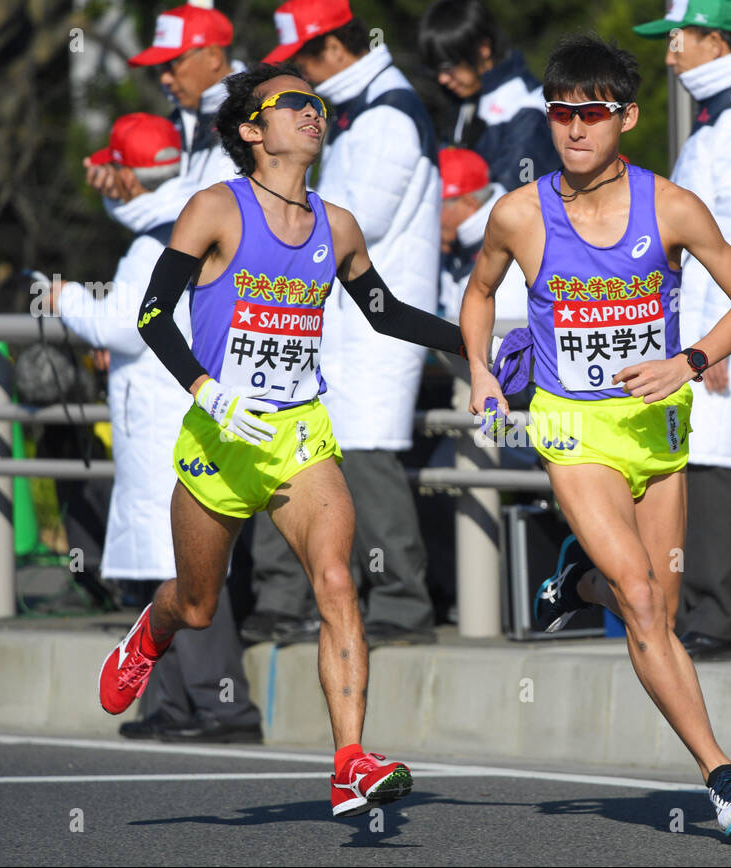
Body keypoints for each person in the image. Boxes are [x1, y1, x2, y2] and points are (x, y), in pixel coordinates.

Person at [97, 63, 469, 816]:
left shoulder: (336, 226)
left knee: (337, 583)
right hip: (219, 436)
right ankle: (150, 632)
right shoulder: (214, 210)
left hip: (300, 433)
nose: (314, 112)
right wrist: (206, 389)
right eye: (295, 103)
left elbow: (387, 312)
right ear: (250, 129)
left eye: (319, 103)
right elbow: (151, 319)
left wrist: (480, 345)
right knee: (200, 606)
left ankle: (349, 761)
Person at [462, 33, 731, 835]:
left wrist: (692, 359)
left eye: (591, 115)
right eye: (560, 114)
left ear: (626, 118)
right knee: (639, 594)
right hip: (572, 429)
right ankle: (723, 775)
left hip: (657, 429)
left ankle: (574, 585)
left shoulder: (670, 206)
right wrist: (483, 373)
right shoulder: (520, 214)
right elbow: (479, 292)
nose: (573, 131)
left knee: (653, 610)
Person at [54, 113, 262, 742]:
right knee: (164, 560)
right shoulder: (178, 219)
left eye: (108, 168)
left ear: (123, 172)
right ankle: (170, 705)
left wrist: (60, 297)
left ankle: (222, 706)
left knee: (188, 565)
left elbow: (118, 325)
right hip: (169, 414)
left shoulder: (154, 239)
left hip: (168, 421)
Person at [263, 0, 440, 644]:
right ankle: (347, 597)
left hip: (375, 323)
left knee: (367, 457)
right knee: (325, 458)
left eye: (304, 61)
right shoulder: (363, 110)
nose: (299, 79)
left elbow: (354, 220)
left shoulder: (388, 114)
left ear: (336, 51)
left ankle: (402, 604)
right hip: (346, 323)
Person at [633, 0, 731, 659]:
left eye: (678, 38)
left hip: (719, 329)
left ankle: (723, 618)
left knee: (718, 463)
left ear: (716, 41)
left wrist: (715, 339)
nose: (669, 52)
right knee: (702, 461)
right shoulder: (730, 112)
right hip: (705, 327)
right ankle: (707, 611)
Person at [84, 3, 241, 238]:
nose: (165, 78)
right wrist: (120, 189)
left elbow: (211, 212)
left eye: (173, 63)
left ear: (213, 56)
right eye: (160, 67)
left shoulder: (253, 114)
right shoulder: (183, 118)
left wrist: (127, 199)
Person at [419, 0, 556, 194]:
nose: (442, 79)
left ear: (483, 48)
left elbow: (513, 197)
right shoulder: (463, 98)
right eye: (436, 70)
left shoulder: (527, 107)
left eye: (449, 67)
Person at [438, 146, 528, 323]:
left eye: (436, 206)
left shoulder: (513, 257)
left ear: (469, 204)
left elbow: (504, 338)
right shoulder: (458, 245)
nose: (430, 217)